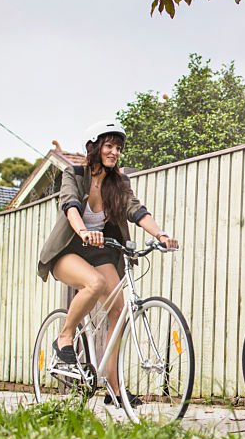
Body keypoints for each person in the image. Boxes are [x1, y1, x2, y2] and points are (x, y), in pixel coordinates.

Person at [37, 120, 179, 408]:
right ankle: (64, 337)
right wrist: (83, 232)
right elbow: (70, 205)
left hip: (101, 251)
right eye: (109, 145)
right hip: (68, 250)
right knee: (96, 283)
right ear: (95, 147)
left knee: (119, 310)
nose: (114, 152)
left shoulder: (119, 182)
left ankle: (114, 387)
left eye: (118, 147)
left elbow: (135, 209)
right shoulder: (74, 173)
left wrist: (160, 234)